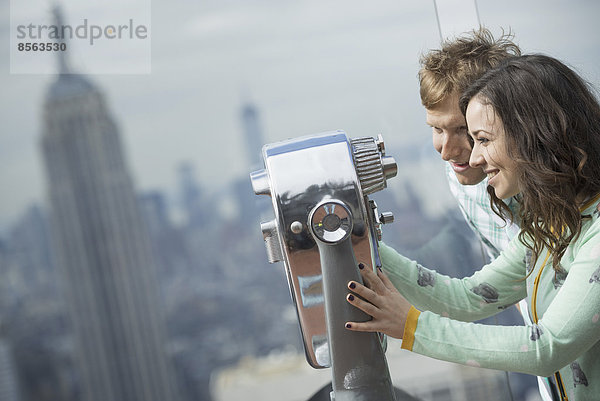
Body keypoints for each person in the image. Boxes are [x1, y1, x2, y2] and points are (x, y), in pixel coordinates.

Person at [345, 54, 600, 401]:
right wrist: (356, 238)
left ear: (532, 135)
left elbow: (548, 348)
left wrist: (412, 327)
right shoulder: (549, 225)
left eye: (482, 138)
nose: (474, 158)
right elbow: (467, 298)